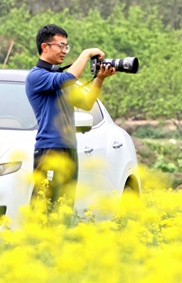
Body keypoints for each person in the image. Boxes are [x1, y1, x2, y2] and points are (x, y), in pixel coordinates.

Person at [25, 24, 115, 207]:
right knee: (44, 205)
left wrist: (99, 79)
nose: (65, 51)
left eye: (67, 46)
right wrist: (86, 53)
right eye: (61, 45)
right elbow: (68, 78)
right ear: (45, 46)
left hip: (69, 148)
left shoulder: (57, 77)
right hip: (49, 150)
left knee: (65, 206)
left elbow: (86, 103)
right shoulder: (37, 76)